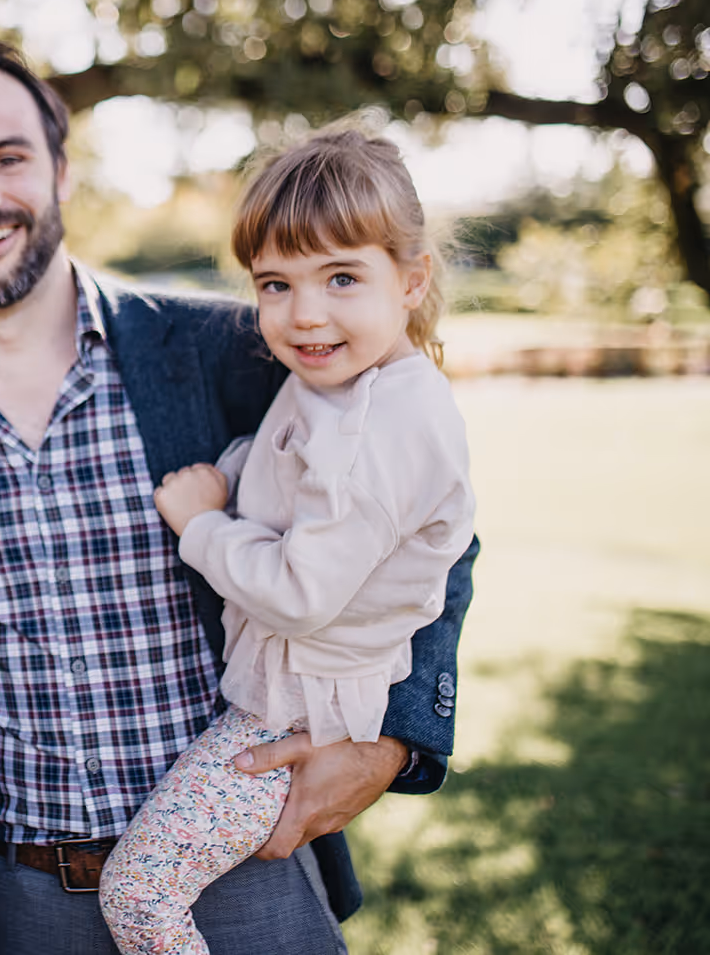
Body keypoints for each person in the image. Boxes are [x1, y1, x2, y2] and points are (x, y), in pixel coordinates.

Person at [0, 37, 479, 955]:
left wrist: (395, 745)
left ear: (60, 169)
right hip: (17, 901)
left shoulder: (236, 349)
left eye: (9, 157)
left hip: (240, 868)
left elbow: (430, 531)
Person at [97, 130, 476, 953]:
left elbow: (301, 594)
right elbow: (290, 465)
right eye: (276, 283)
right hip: (281, 695)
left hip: (291, 716)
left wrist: (202, 525)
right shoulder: (339, 380)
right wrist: (234, 471)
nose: (305, 312)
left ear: (412, 280)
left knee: (139, 892)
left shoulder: (385, 426)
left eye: (342, 276)